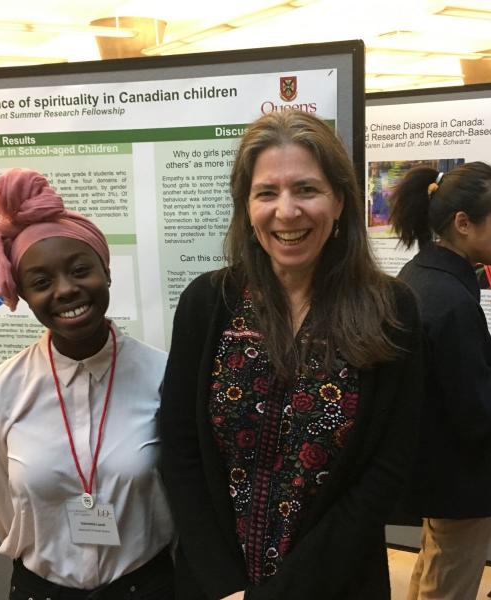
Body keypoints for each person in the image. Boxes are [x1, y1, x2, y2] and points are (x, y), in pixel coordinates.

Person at [160, 111, 424, 600]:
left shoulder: (390, 308)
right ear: (246, 206)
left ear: (340, 200)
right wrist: (226, 585)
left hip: (334, 584)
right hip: (216, 584)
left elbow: (385, 471)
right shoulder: (208, 302)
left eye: (306, 189)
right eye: (267, 193)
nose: (286, 211)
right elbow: (180, 451)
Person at [0, 168, 174, 599]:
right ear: (23, 294)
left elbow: (181, 499)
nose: (66, 290)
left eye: (80, 270)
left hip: (145, 587)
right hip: (43, 590)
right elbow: (6, 510)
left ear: (106, 273)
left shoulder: (163, 376)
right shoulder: (0, 390)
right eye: (41, 282)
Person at [389, 161, 491, 600]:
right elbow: (479, 411)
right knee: (449, 582)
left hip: (438, 473)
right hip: (459, 479)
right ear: (463, 223)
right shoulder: (449, 300)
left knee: (436, 567)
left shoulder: (421, 277)